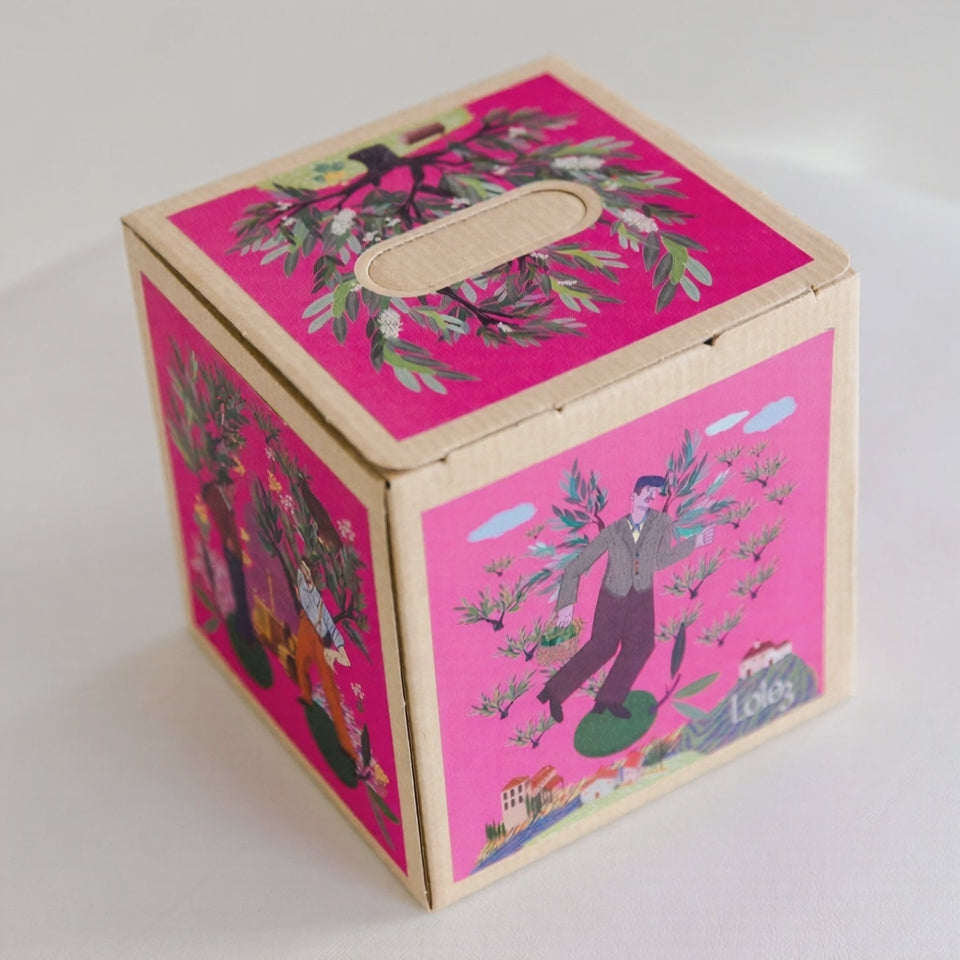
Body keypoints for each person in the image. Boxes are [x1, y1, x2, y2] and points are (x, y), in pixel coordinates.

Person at [537, 475, 714, 722]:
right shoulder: (614, 531)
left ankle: (609, 700)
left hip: (642, 597)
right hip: (613, 597)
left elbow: (660, 560)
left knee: (642, 646)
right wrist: (566, 604)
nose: (651, 495)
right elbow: (579, 564)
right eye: (647, 490)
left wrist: (694, 543)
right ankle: (553, 692)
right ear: (633, 496)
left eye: (655, 492)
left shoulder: (661, 523)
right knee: (602, 648)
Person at [295, 560, 356, 762]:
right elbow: (301, 585)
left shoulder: (319, 601)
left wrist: (340, 648)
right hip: (305, 629)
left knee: (330, 690)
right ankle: (306, 696)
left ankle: (346, 745)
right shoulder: (303, 585)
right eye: (305, 571)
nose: (307, 574)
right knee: (300, 663)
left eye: (309, 571)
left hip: (320, 641)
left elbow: (331, 626)